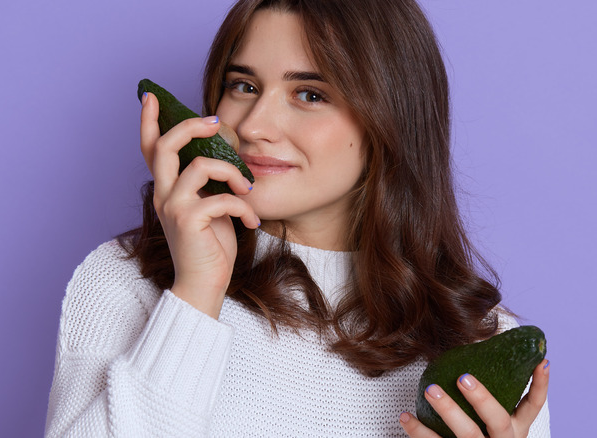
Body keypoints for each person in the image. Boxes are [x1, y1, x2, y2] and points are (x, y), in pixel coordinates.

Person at [44, 0, 551, 436]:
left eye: (310, 94)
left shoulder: (483, 346)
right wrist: (197, 291)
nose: (254, 125)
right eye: (242, 85)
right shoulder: (129, 283)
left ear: (390, 119)